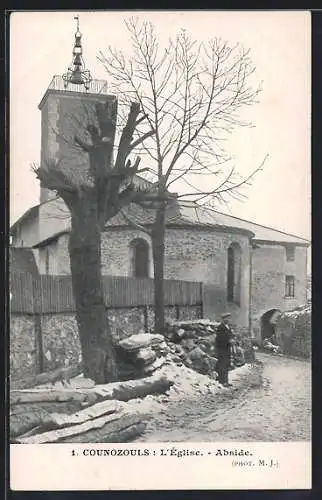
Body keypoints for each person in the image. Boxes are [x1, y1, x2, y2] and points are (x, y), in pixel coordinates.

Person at [215, 313, 235, 387]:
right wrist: (228, 341)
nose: (228, 320)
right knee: (222, 365)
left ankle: (226, 381)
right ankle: (222, 381)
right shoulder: (220, 328)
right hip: (222, 349)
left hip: (227, 349)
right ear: (223, 319)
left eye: (229, 318)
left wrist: (232, 339)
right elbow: (219, 339)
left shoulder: (228, 327)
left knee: (226, 365)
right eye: (226, 319)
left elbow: (230, 335)